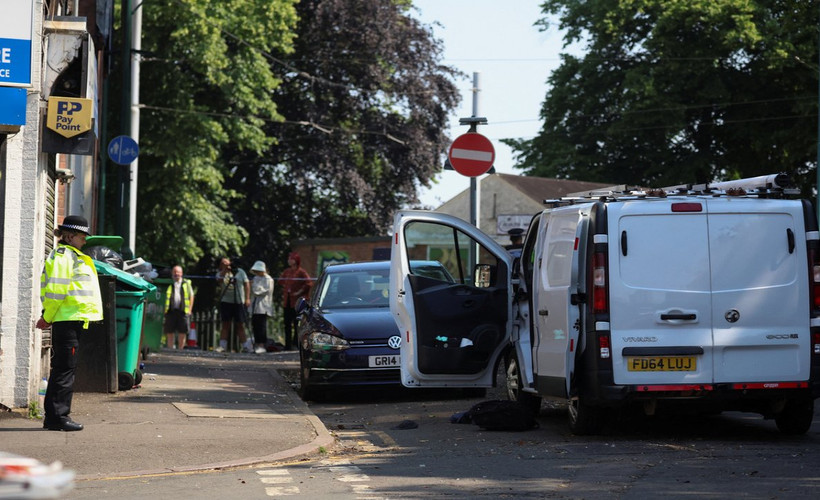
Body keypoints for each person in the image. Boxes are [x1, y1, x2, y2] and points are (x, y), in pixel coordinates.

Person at [36, 215, 103, 432]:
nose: (85, 240)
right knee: (64, 369)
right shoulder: (65, 256)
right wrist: (47, 317)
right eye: (82, 236)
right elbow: (57, 291)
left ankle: (55, 417)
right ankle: (58, 417)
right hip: (67, 319)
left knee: (64, 369)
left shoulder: (71, 255)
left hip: (72, 319)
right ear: (71, 236)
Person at [215, 257, 252, 353]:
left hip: (239, 301)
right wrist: (225, 271)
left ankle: (245, 346)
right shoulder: (220, 273)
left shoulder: (240, 272)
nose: (227, 264)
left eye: (228, 263)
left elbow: (247, 284)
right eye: (223, 263)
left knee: (240, 324)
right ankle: (222, 346)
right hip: (226, 301)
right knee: (225, 324)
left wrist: (247, 298)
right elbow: (218, 280)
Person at [279, 252, 311, 350]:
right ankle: (287, 345)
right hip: (287, 302)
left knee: (297, 323)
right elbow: (280, 281)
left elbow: (309, 283)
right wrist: (286, 288)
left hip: (297, 303)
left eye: (291, 258)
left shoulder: (301, 272)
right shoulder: (287, 271)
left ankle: (296, 344)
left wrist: (299, 292)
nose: (289, 260)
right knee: (287, 324)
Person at [164, 265, 195, 349]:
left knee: (182, 331)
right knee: (170, 331)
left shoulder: (186, 283)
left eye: (178, 272)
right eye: (174, 272)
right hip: (171, 310)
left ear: (181, 273)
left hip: (183, 310)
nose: (176, 274)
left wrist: (189, 309)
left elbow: (191, 296)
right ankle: (170, 349)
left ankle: (180, 349)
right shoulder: (169, 283)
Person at [249, 261, 274, 354]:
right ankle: (256, 343)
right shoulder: (255, 278)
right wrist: (257, 289)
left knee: (261, 326)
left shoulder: (269, 279)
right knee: (255, 325)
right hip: (255, 305)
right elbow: (254, 289)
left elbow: (264, 291)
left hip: (263, 306)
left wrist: (258, 290)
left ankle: (262, 344)